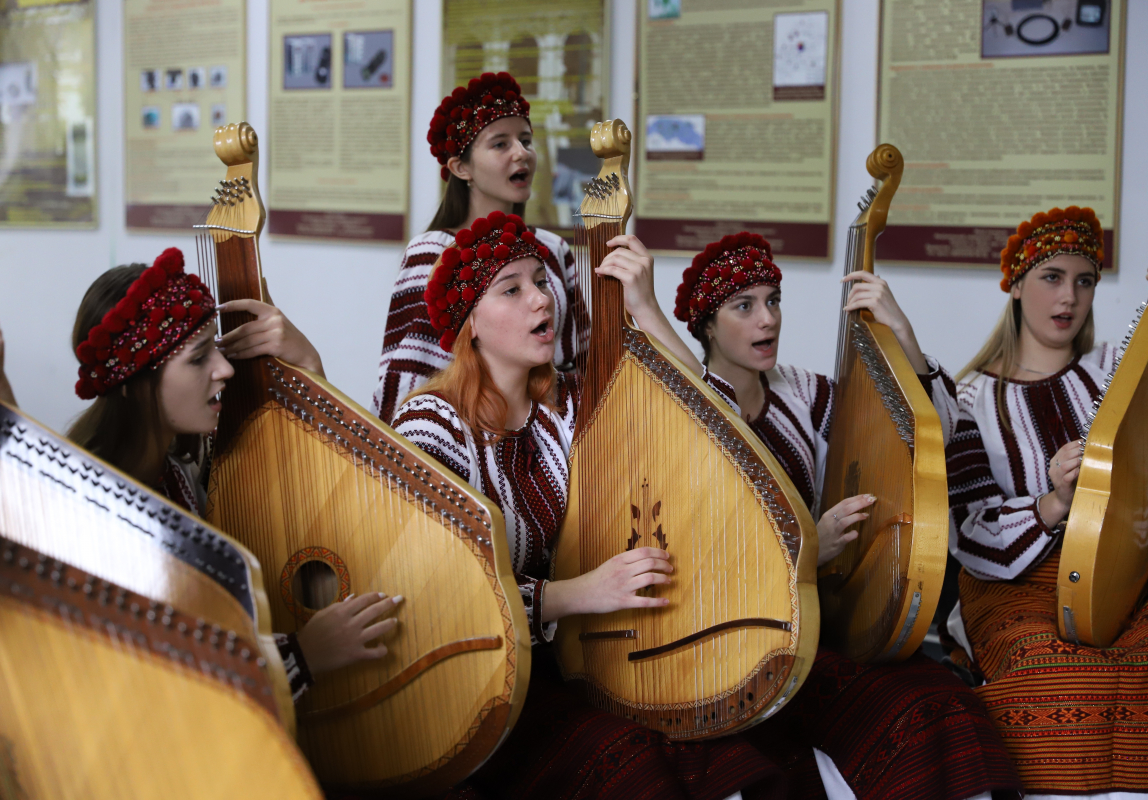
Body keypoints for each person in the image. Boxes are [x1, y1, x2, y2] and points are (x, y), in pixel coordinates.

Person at [392, 212, 789, 799]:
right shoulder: (431, 424)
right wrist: (581, 594)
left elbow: (711, 414)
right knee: (631, 766)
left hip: (571, 661)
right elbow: (442, 590)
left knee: (725, 751)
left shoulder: (569, 404)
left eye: (540, 280)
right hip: (475, 686)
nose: (540, 299)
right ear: (469, 323)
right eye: (513, 288)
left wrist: (646, 310)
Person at [0, 249, 399, 702]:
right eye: (198, 358)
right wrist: (303, 655)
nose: (225, 369)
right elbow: (155, 676)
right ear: (135, 380)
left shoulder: (176, 466)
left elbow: (314, 469)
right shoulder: (95, 504)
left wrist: (308, 364)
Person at [672, 232, 1019, 800]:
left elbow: (928, 432)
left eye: (773, 301)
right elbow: (697, 553)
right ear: (707, 325)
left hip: (822, 620)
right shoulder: (687, 407)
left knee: (943, 699)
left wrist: (901, 333)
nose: (769, 320)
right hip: (732, 640)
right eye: (745, 306)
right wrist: (811, 543)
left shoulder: (806, 392)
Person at [944, 207, 1148, 797]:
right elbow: (971, 529)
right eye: (1052, 277)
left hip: (1124, 575)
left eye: (1084, 281)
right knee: (1055, 672)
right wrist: (1053, 501)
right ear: (1015, 286)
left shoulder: (1116, 370)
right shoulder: (968, 399)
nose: (1069, 297)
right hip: (1013, 585)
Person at [372, 71, 582, 424]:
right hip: (468, 440)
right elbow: (407, 383)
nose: (522, 153)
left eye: (526, 140)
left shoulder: (553, 248)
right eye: (500, 144)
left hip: (558, 437)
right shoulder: (431, 252)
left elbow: (585, 359)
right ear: (461, 167)